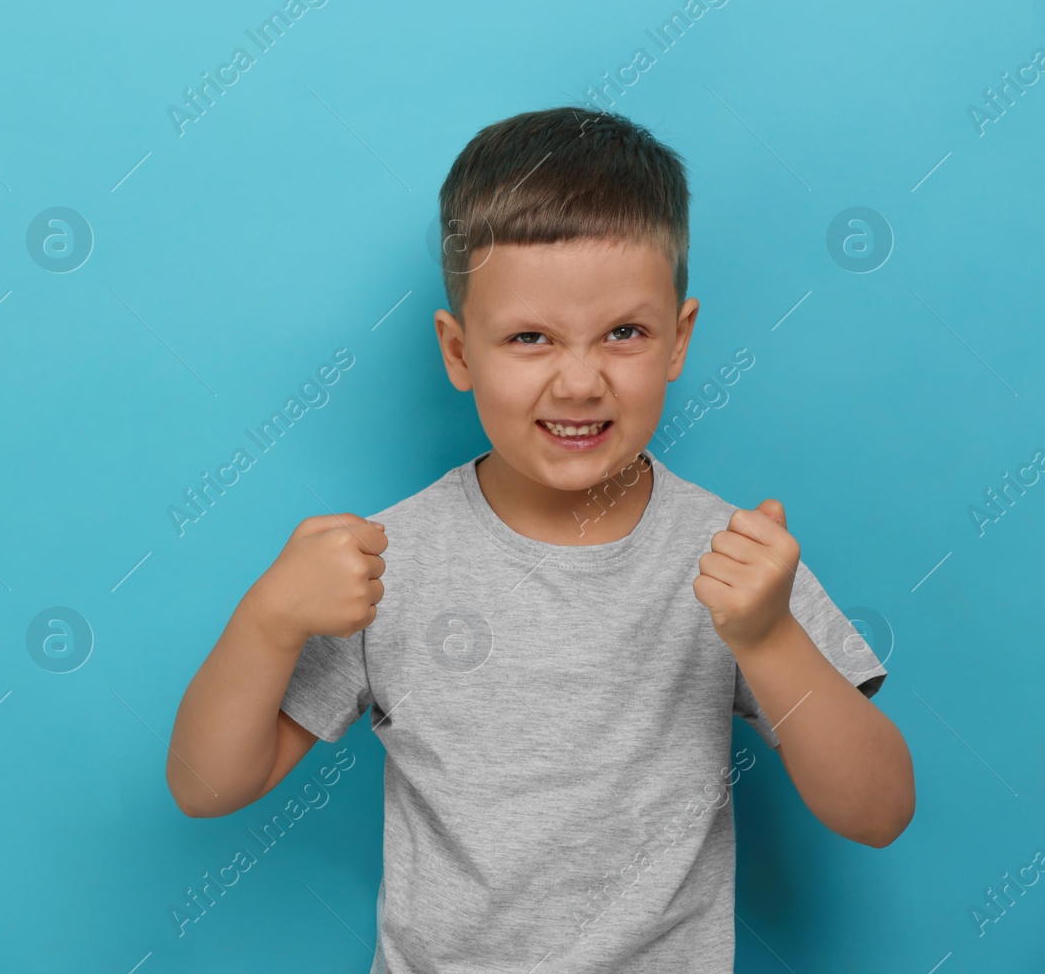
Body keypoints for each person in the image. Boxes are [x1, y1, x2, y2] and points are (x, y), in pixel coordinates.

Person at [164, 106, 915, 972]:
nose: (580, 379)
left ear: (680, 337)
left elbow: (880, 810)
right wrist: (267, 618)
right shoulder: (385, 563)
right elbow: (206, 785)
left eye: (625, 333)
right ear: (457, 351)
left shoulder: (732, 562)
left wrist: (770, 636)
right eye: (530, 337)